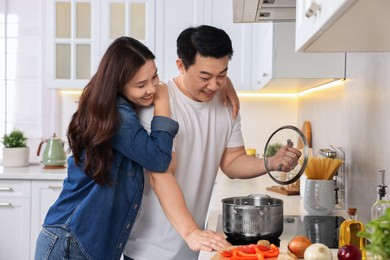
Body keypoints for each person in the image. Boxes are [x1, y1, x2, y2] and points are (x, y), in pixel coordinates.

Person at [123, 25, 301, 260]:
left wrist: (271, 162)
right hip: (149, 250)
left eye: (222, 75)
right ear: (181, 66)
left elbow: (232, 161)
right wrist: (191, 231)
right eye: (205, 77)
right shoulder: (158, 104)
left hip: (192, 244)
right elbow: (160, 174)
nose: (214, 86)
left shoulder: (227, 103)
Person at [34, 36, 180, 260]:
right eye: (141, 85)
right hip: (68, 243)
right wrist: (162, 104)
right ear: (118, 84)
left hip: (79, 242)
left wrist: (224, 83)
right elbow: (159, 159)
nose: (152, 88)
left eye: (155, 77)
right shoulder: (117, 115)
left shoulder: (117, 108)